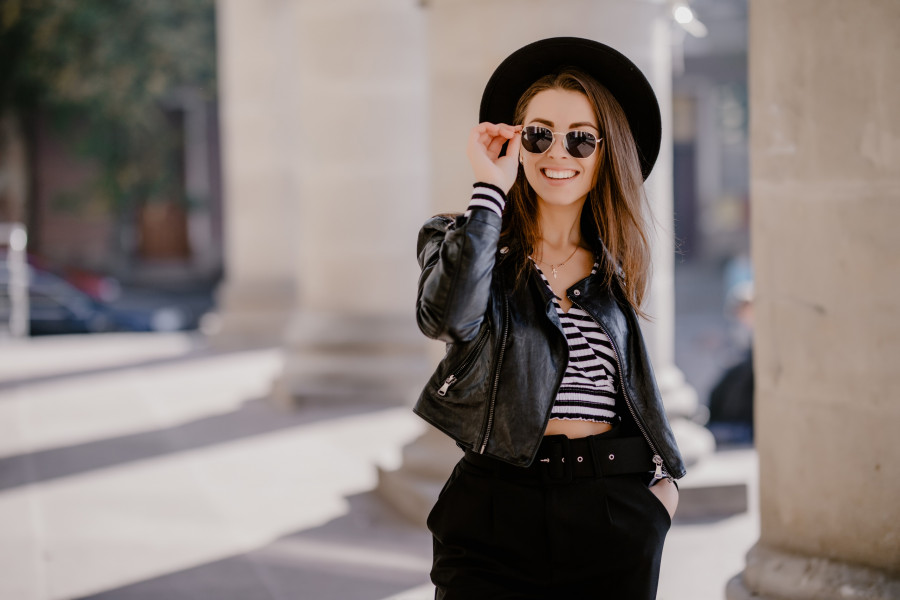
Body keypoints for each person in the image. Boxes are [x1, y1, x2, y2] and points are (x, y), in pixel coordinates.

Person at [414, 37, 686, 599]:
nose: (556, 153)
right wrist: (489, 187)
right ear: (517, 141)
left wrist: (657, 501)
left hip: (612, 509)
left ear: (605, 155)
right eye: (539, 134)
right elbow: (448, 318)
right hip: (494, 508)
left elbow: (629, 392)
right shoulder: (463, 240)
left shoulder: (614, 269)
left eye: (580, 140)